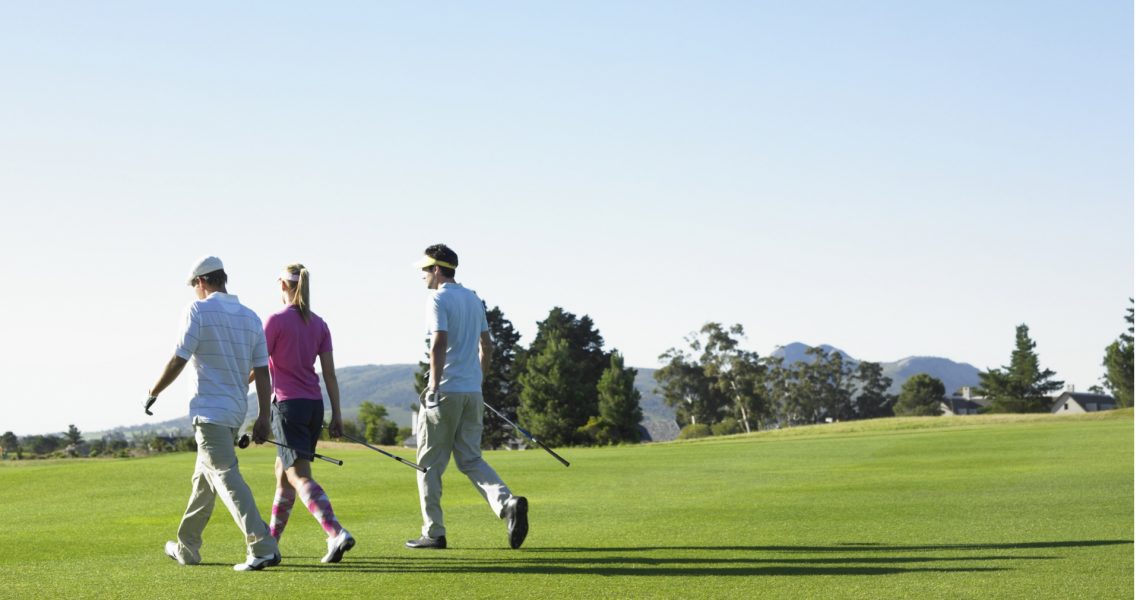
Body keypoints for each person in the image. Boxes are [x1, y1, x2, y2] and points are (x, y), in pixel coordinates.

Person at [145, 256, 281, 572]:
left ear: (202, 282)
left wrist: (153, 392)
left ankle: (262, 546)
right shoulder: (251, 317)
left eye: (194, 285)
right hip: (234, 412)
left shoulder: (197, 310)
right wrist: (263, 416)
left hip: (209, 413)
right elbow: (263, 372)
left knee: (224, 475)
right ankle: (187, 548)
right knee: (203, 481)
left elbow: (179, 358)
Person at [406, 244, 528, 550]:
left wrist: (434, 386)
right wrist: (478, 381)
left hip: (445, 391)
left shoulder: (437, 298)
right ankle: (507, 503)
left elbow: (438, 342)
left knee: (428, 464)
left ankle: (433, 532)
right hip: (472, 392)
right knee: (471, 459)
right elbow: (487, 346)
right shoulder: (474, 299)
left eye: (426, 269)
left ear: (437, 269)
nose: (422, 275)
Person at [262, 263, 354, 563]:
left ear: (283, 285)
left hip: (288, 406)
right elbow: (330, 374)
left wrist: (237, 383)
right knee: (283, 474)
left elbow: (259, 366)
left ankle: (335, 532)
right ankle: (271, 544)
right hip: (314, 406)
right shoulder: (319, 324)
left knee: (298, 475)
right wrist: (337, 415)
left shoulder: (275, 321)